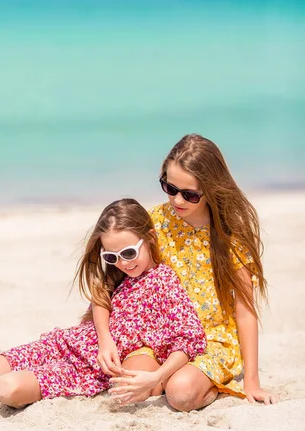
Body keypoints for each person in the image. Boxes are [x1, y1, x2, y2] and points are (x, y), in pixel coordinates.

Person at [0, 198, 206, 408]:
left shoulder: (164, 280)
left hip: (87, 370)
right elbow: (100, 299)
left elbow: (189, 339)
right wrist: (105, 339)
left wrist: (157, 378)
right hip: (67, 345)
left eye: (129, 253)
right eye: (111, 256)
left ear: (150, 238)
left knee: (7, 389)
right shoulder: (116, 275)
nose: (123, 262)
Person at [95, 134, 279, 411]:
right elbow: (109, 283)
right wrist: (104, 338)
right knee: (130, 384)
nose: (177, 200)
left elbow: (245, 309)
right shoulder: (154, 222)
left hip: (212, 338)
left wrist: (251, 380)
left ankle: (209, 387)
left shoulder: (230, 236)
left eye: (189, 194)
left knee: (179, 394)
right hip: (161, 335)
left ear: (211, 188)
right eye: (169, 187)